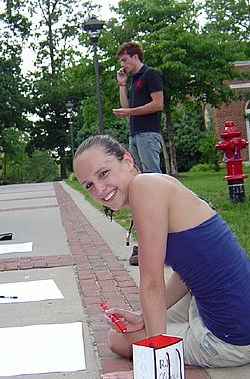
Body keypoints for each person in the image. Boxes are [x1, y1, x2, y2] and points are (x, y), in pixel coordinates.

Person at [73, 135, 250, 379]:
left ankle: (163, 352)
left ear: (127, 159)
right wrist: (142, 317)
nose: (100, 189)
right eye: (89, 185)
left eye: (103, 173)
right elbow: (187, 273)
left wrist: (154, 367)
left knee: (118, 340)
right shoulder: (156, 184)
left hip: (233, 339)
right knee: (133, 328)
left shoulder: (144, 189)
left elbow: (152, 284)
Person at [113, 41, 164, 266]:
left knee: (153, 179)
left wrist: (130, 111)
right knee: (139, 180)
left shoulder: (150, 74)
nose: (123, 64)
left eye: (124, 60)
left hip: (148, 134)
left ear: (135, 56)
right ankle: (147, 233)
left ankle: (161, 225)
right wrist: (122, 85)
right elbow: (126, 107)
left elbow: (158, 104)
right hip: (135, 135)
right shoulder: (133, 80)